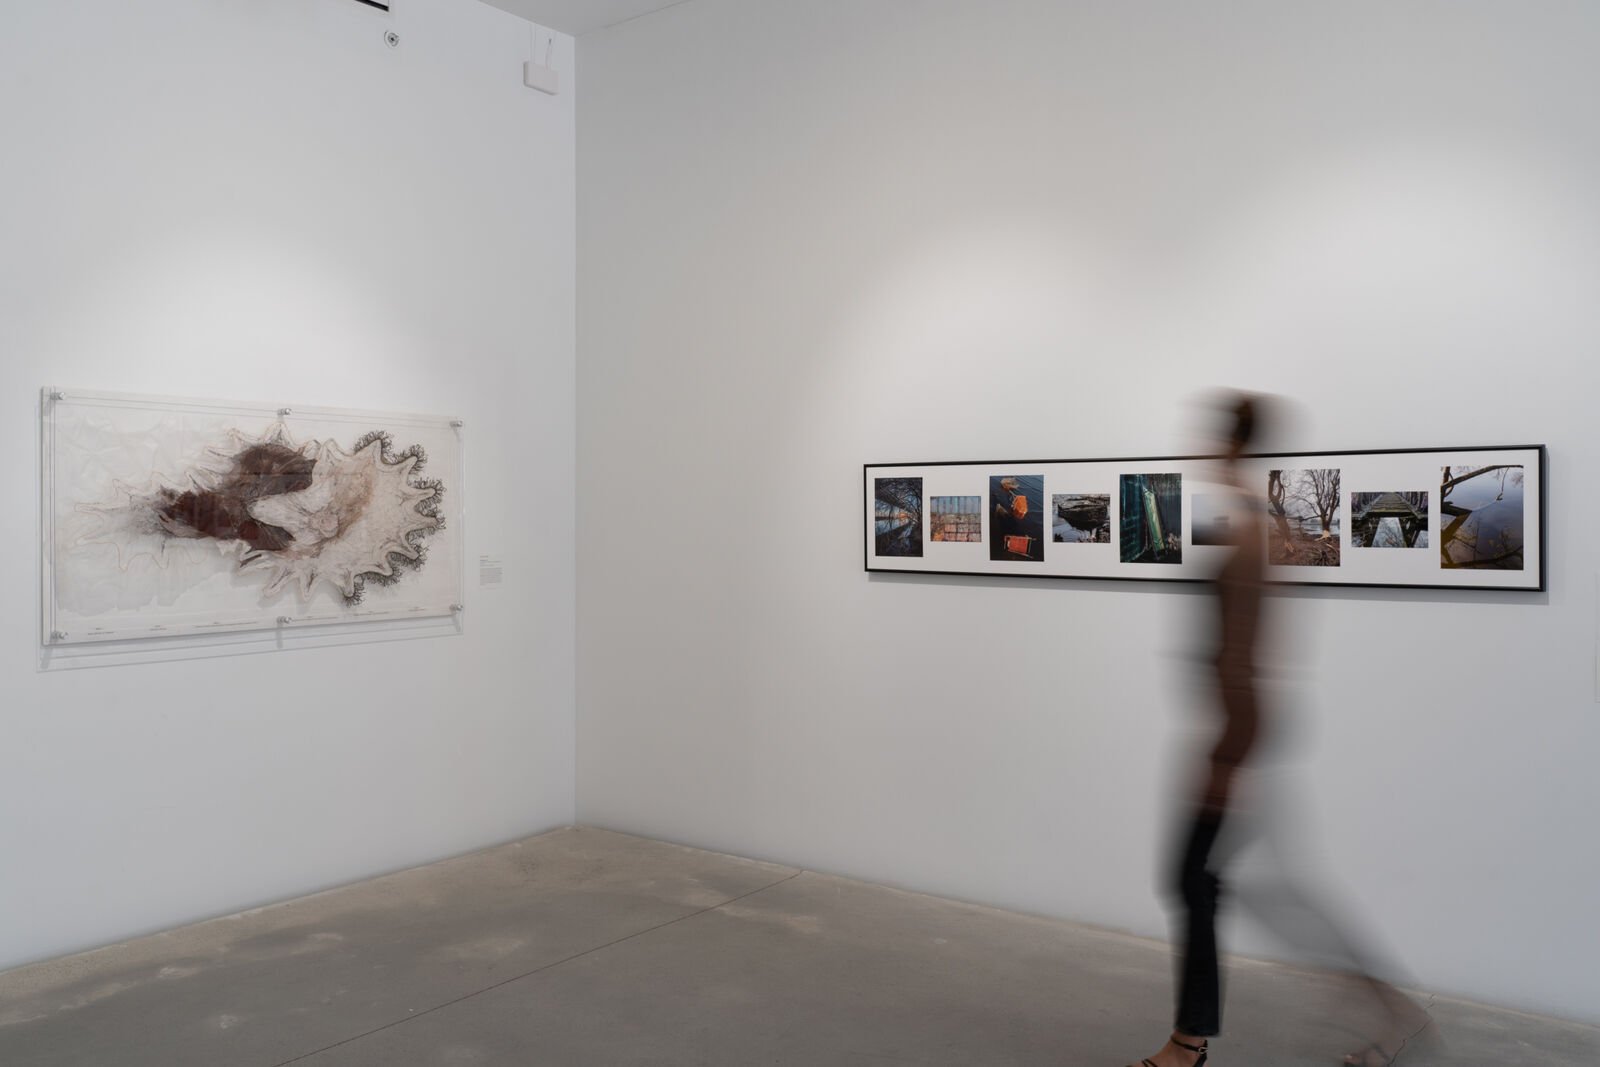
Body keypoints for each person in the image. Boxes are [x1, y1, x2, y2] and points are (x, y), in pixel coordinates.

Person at [1125, 394, 1434, 1067]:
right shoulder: (1255, 521)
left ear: (1232, 444)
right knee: (1246, 885)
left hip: (1239, 728)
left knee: (1195, 878)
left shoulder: (1245, 529)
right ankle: (1393, 1012)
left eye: (1209, 435)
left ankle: (1189, 1044)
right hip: (1244, 723)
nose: (1197, 446)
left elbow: (1241, 653)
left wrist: (1223, 757)